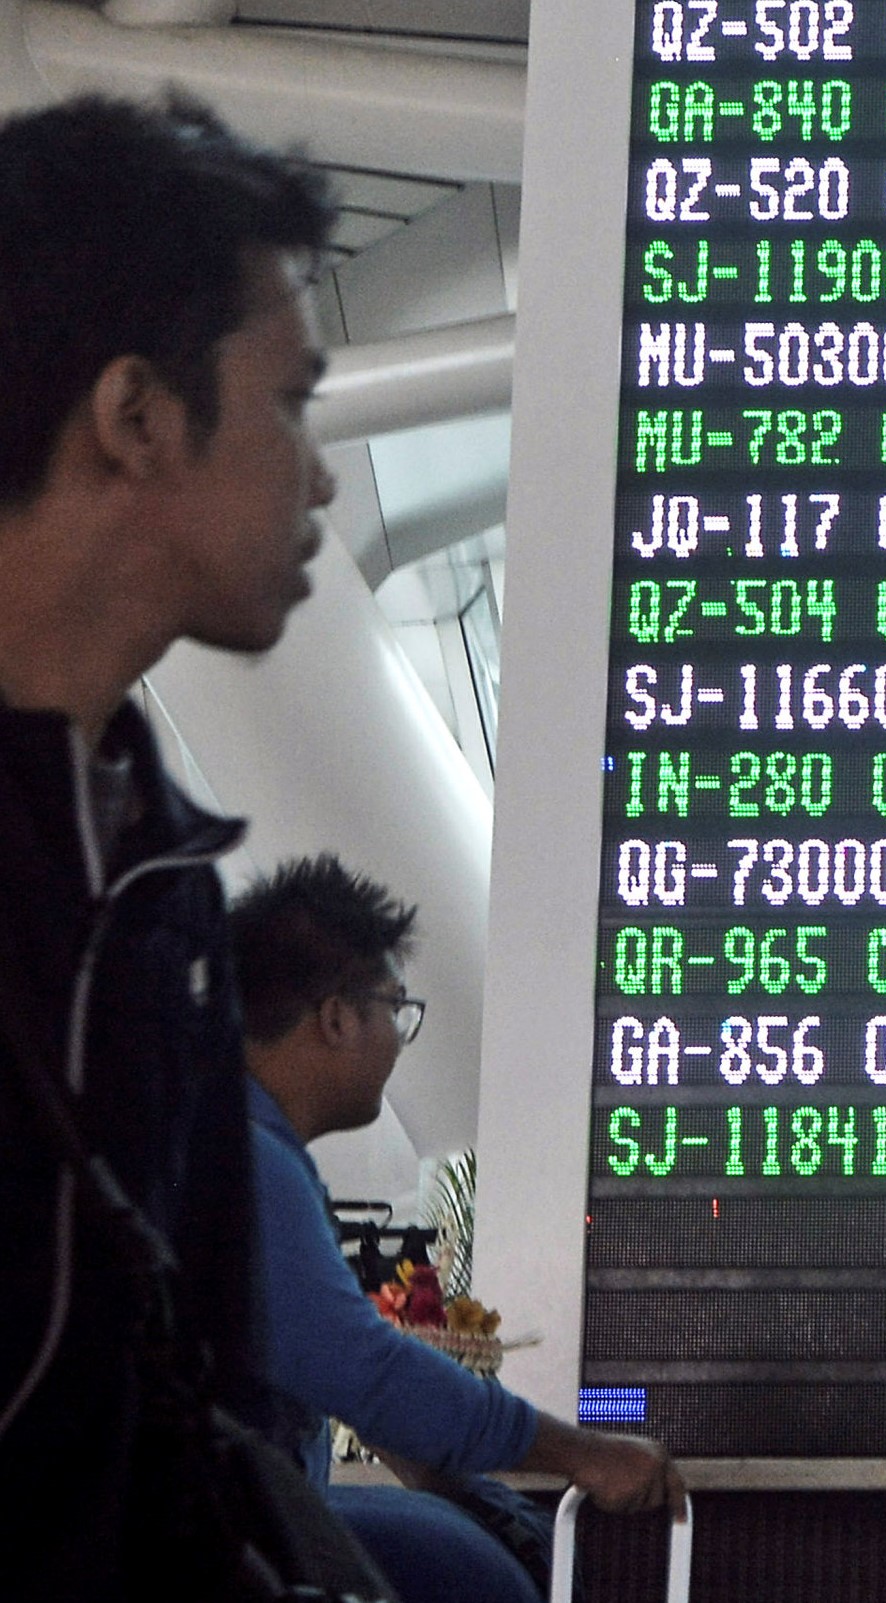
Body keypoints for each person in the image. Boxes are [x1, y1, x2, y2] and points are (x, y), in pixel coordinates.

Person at [0, 94, 341, 1596]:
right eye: (291, 403)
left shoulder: (164, 888)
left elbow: (174, 1414)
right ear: (136, 414)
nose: (321, 474)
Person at [230, 856, 686, 1603]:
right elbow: (366, 1369)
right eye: (394, 1006)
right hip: (198, 1539)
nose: (400, 1035)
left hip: (214, 1515)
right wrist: (586, 1454)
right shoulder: (245, 1163)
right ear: (338, 1017)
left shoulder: (228, 1144)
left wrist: (427, 1449)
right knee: (474, 1575)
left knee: (457, 1540)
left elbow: (330, 1363)